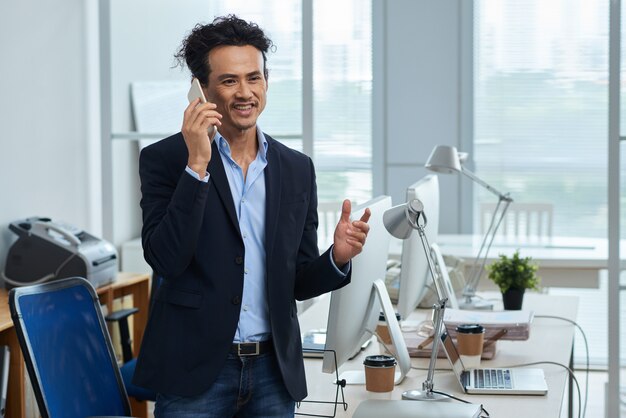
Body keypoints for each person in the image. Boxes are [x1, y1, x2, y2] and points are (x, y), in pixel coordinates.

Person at [133, 15, 371, 417]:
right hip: (195, 371)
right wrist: (197, 165)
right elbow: (165, 259)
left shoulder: (296, 168)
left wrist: (337, 257)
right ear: (200, 88)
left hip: (271, 373)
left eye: (254, 78)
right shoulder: (164, 161)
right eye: (229, 81)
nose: (245, 93)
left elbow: (296, 279)